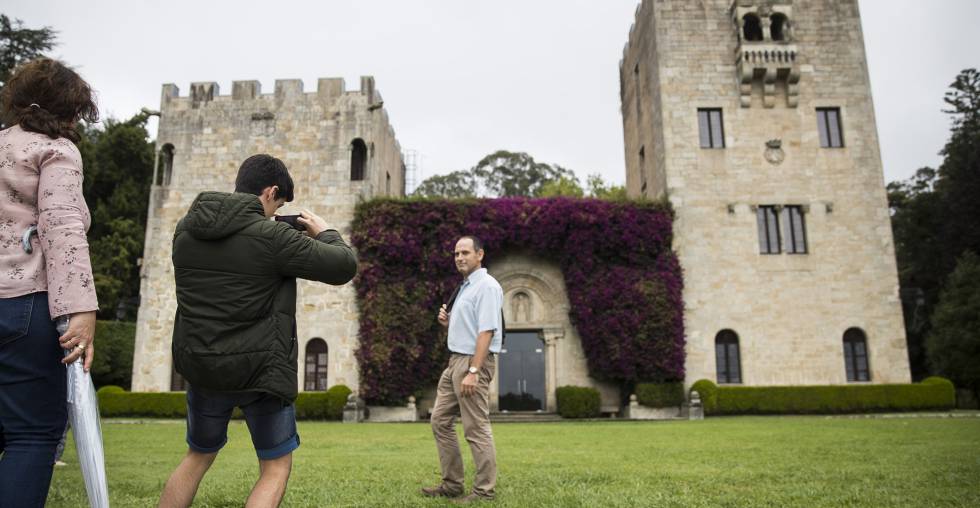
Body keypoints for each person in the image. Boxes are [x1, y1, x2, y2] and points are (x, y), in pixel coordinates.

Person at [158, 154, 357, 508]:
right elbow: (343, 265)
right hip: (260, 371)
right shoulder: (273, 236)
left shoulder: (186, 229)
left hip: (203, 365)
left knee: (197, 456)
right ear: (271, 192)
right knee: (275, 466)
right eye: (278, 204)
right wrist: (325, 231)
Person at [0, 57, 100, 507]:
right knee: (32, 435)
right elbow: (62, 229)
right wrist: (81, 310)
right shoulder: (55, 150)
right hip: (25, 303)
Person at [423, 235, 503, 503]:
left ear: (480, 254)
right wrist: (448, 322)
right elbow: (471, 326)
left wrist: (474, 371)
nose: (459, 257)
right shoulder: (465, 287)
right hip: (454, 361)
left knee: (475, 428)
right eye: (456, 253)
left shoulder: (487, 287)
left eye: (465, 253)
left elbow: (487, 331)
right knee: (440, 421)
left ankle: (484, 491)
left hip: (472, 362)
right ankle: (452, 484)